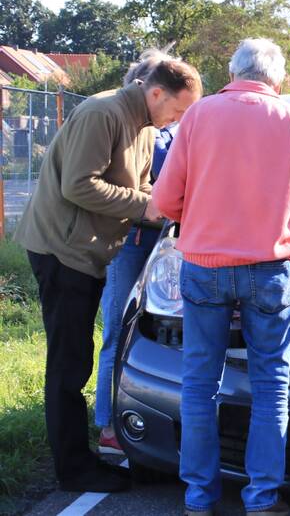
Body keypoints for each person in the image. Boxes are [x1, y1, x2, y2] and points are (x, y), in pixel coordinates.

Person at [153, 38, 290, 516]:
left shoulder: (199, 116)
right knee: (271, 384)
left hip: (204, 268)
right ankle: (262, 498)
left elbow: (166, 201)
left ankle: (198, 498)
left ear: (233, 71)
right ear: (275, 77)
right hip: (269, 271)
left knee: (198, 384)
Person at [14, 57, 202, 493]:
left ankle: (81, 460)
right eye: (178, 110)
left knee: (76, 357)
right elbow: (78, 185)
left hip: (87, 253)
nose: (179, 120)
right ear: (156, 93)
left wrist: (177, 204)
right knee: (68, 364)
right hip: (62, 252)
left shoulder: (144, 125)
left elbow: (142, 188)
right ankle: (73, 470)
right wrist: (145, 206)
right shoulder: (102, 113)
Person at [95, 51, 181, 455]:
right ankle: (108, 423)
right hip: (129, 241)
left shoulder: (166, 128)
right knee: (118, 328)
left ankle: (150, 416)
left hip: (166, 240)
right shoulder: (121, 121)